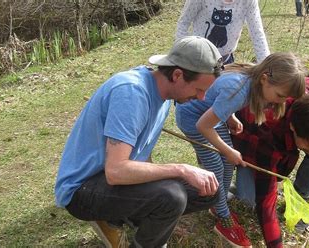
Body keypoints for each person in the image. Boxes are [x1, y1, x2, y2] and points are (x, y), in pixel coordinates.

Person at [54, 36, 224, 248]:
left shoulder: (164, 95)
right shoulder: (132, 93)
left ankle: (123, 219)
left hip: (113, 182)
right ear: (177, 75)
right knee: (172, 197)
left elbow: (141, 154)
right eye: (199, 90)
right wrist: (180, 170)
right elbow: (115, 171)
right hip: (83, 190)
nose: (201, 98)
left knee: (209, 189)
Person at [175, 52, 306, 247]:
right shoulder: (239, 90)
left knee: (227, 165)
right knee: (217, 169)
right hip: (194, 120)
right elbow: (203, 126)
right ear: (264, 80)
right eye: (280, 95)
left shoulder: (252, 83)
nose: (280, 101)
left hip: (210, 118)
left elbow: (217, 102)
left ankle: (217, 205)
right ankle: (223, 217)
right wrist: (228, 150)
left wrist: (230, 117)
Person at [231, 77, 309, 247]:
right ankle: (227, 186)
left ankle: (302, 196)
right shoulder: (268, 130)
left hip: (284, 133)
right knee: (249, 202)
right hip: (246, 138)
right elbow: (266, 205)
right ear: (293, 127)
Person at [176, 0, 270, 64]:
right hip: (198, 58)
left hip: (226, 60)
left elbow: (257, 33)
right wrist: (183, 55)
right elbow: (183, 23)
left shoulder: (248, 1)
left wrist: (266, 66)